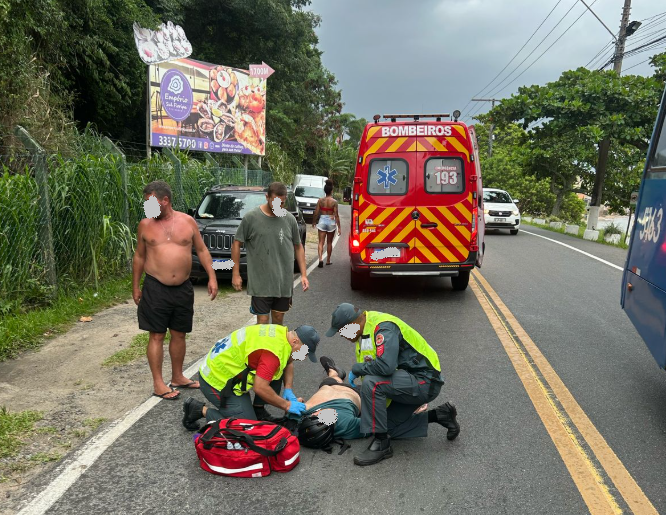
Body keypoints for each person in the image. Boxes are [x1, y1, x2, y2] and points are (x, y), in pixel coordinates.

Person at [325, 303, 460, 466]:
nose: (342, 336)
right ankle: (441, 415)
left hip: (425, 380)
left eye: (342, 331)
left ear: (353, 324)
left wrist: (358, 369)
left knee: (371, 382)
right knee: (383, 425)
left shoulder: (383, 329)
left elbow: (385, 367)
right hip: (407, 380)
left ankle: (382, 445)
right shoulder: (363, 331)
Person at [133, 181, 218, 401]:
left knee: (180, 333)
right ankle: (158, 383)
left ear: (165, 200)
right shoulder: (145, 224)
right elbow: (139, 256)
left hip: (183, 288)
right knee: (157, 335)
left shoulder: (187, 221)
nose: (147, 207)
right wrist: (135, 286)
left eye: (150, 202)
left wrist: (212, 276)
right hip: (155, 287)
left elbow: (201, 249)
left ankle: (178, 376)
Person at [182, 324, 320, 429]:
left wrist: (288, 389)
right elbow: (260, 388)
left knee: (277, 370)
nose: (303, 357)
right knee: (247, 428)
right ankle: (199, 409)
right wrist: (287, 405)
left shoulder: (282, 334)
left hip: (227, 371)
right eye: (304, 352)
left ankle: (258, 410)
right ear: (295, 341)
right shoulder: (273, 352)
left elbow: (288, 362)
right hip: (216, 381)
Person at [231, 182, 309, 325]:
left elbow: (298, 247)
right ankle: (261, 348)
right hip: (260, 282)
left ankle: (274, 348)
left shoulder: (290, 220)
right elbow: (237, 243)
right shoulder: (251, 218)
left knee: (278, 321)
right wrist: (235, 274)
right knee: (262, 322)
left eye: (282, 203)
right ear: (267, 197)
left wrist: (303, 274)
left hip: (283, 282)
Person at [312, 179, 341, 267]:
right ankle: (328, 260)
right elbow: (336, 215)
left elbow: (316, 212)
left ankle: (320, 259)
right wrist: (339, 227)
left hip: (322, 220)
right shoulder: (334, 202)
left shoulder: (320, 200)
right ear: (331, 191)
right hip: (331, 221)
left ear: (325, 190)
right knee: (329, 242)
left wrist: (314, 221)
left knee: (321, 242)